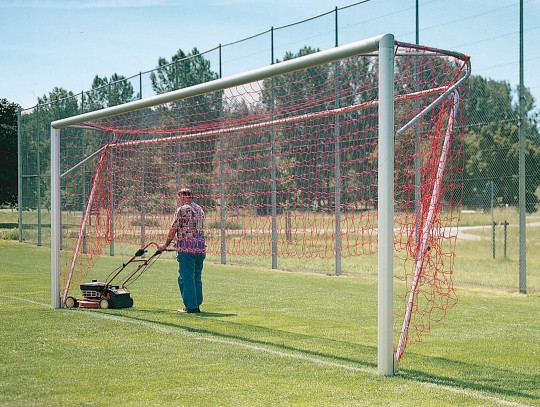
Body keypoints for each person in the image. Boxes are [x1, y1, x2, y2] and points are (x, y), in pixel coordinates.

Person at [159, 188, 206, 313]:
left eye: (179, 197)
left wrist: (165, 244)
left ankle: (191, 306)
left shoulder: (181, 210)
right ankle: (197, 302)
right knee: (196, 276)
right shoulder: (200, 210)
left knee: (186, 277)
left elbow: (174, 228)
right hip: (200, 247)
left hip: (187, 249)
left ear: (183, 197)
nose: (179, 200)